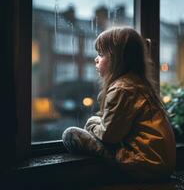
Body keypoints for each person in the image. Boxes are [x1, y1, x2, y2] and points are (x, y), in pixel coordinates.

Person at [62, 26, 176, 181]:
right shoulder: (139, 84)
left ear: (118, 59)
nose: (96, 59)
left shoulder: (122, 88)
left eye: (101, 54)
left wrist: (91, 125)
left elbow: (110, 136)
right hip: (161, 164)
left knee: (71, 134)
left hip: (144, 164)